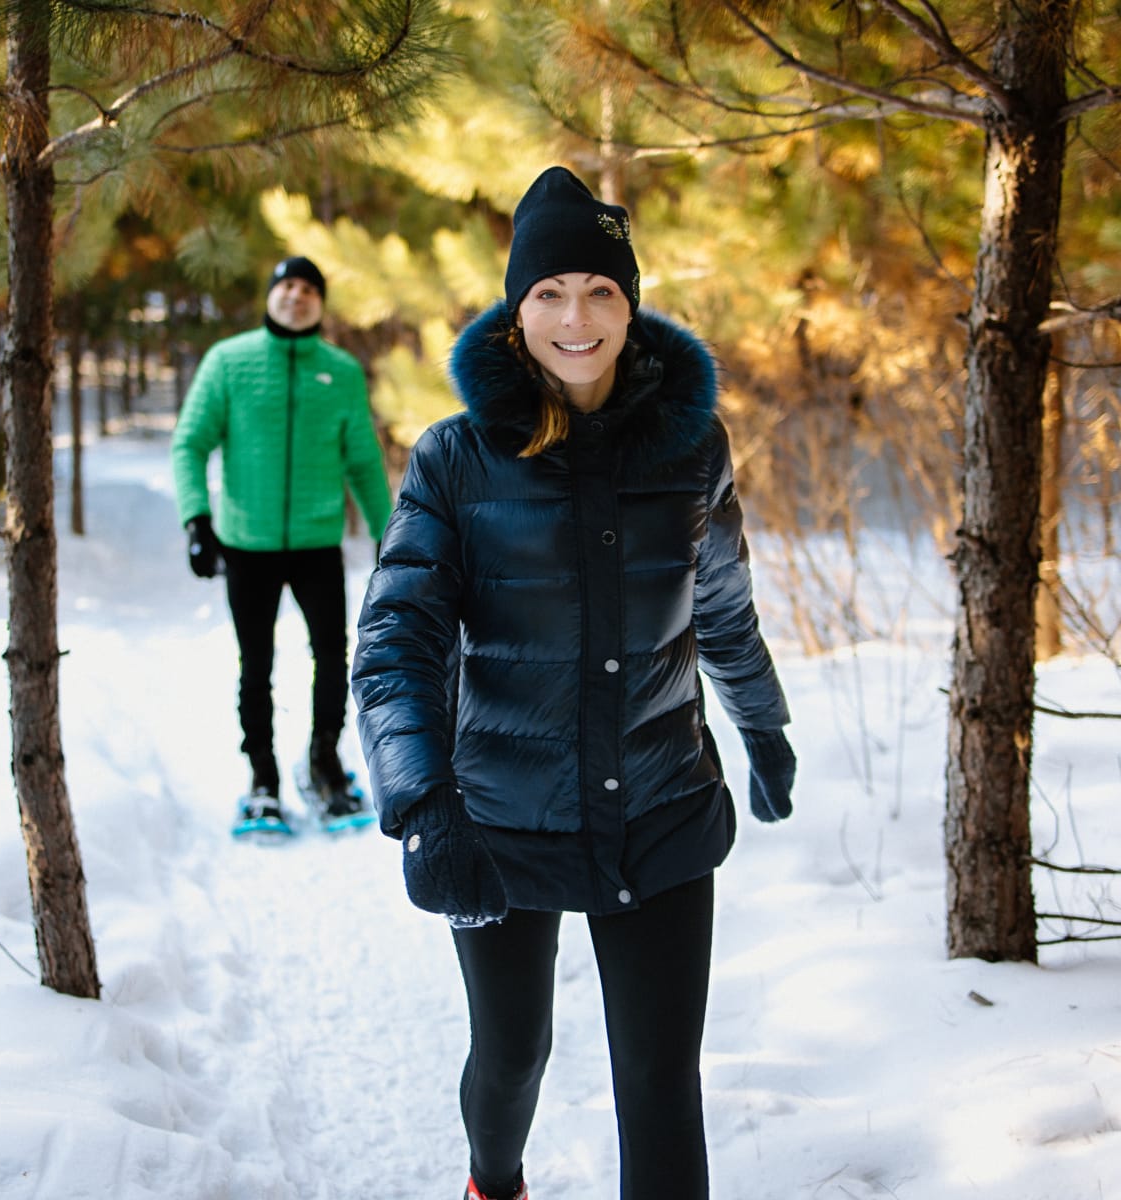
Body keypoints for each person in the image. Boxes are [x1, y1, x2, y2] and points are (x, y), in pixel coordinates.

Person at [351, 167, 796, 1200]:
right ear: (517, 311)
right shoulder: (457, 458)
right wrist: (424, 803)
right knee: (513, 1058)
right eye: (549, 292)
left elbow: (721, 607)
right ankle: (493, 1181)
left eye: (600, 290)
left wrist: (762, 726)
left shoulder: (692, 448)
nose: (576, 317)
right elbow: (397, 640)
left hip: (662, 805)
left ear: (631, 304)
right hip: (504, 821)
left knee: (661, 1082)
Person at [172, 255, 392, 832]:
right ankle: (262, 777)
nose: (297, 295)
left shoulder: (341, 371)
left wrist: (388, 531)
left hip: (317, 543)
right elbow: (190, 443)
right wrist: (196, 520)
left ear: (321, 303)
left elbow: (363, 460)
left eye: (309, 288)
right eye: (287, 285)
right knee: (256, 663)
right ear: (271, 295)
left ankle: (324, 762)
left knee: (332, 655)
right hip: (247, 544)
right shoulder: (229, 361)